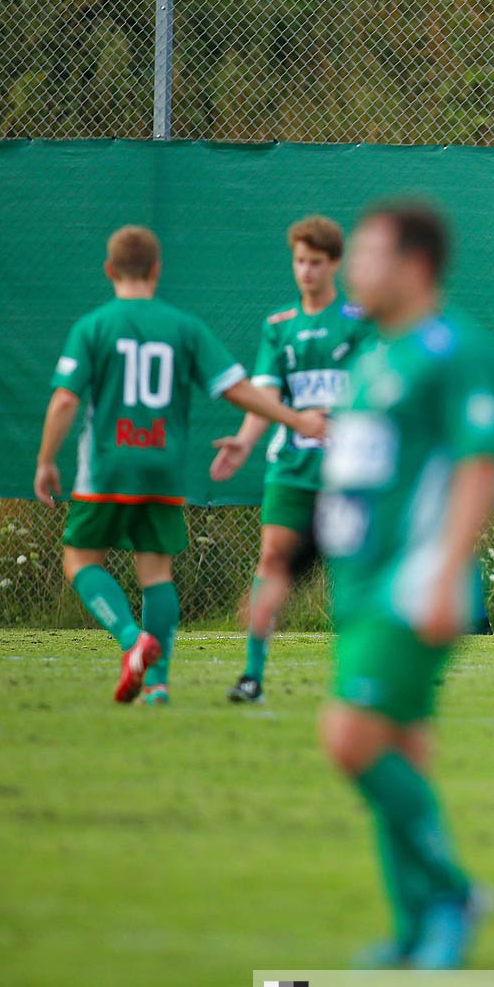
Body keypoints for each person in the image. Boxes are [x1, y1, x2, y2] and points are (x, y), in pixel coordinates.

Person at [316, 200, 494, 967]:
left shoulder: (453, 348)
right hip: (360, 585)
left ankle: (455, 894)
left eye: (369, 254)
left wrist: (444, 570)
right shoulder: (371, 355)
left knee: (350, 738)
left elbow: (480, 462)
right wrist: (282, 572)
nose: (352, 267)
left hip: (412, 582)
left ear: (416, 267)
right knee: (400, 750)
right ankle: (417, 926)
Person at [32, 226, 327, 705]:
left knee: (81, 559)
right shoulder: (183, 327)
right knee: (156, 574)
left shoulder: (93, 326)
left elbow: (65, 400)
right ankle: (158, 684)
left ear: (110, 271)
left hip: (108, 468)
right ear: (156, 270)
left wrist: (46, 460)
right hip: (163, 467)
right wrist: (296, 419)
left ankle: (132, 640)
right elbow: (236, 388)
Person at [210, 216, 373, 703]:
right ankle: (252, 676)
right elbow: (266, 397)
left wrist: (343, 415)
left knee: (351, 570)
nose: (306, 271)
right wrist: (244, 441)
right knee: (273, 560)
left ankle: (359, 679)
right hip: (292, 468)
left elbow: (377, 387)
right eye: (300, 261)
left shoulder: (360, 320)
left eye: (316, 262)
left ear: (335, 264)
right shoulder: (278, 326)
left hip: (347, 470)